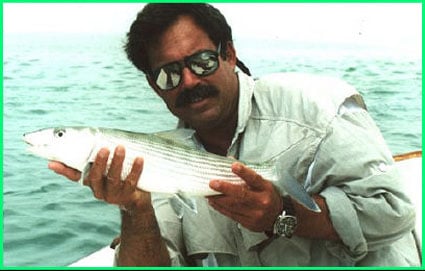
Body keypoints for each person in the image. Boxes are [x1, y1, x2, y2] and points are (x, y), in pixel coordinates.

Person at [48, 3, 420, 267]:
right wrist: (135, 209)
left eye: (203, 62)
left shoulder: (315, 106)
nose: (190, 81)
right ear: (154, 85)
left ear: (229, 53)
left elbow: (395, 214)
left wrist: (282, 214)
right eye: (169, 74)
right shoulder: (159, 160)